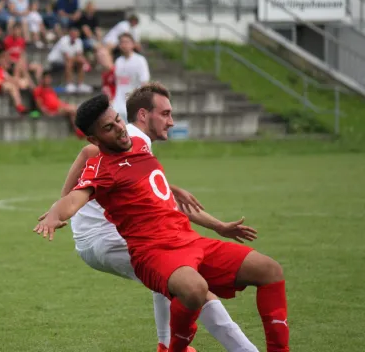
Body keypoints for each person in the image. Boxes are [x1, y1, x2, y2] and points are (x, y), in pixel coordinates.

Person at [35, 88, 289, 352]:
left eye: (117, 121)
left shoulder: (138, 146)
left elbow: (152, 192)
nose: (171, 121)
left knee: (200, 277)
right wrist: (58, 207)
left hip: (156, 235)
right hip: (104, 236)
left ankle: (166, 344)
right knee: (192, 287)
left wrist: (213, 222)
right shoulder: (119, 145)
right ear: (144, 114)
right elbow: (89, 156)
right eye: (165, 113)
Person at [33, 71, 85, 138]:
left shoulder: (50, 89)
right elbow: (39, 105)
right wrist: (47, 113)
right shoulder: (38, 90)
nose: (48, 80)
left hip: (59, 108)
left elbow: (56, 101)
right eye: (46, 78)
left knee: (74, 109)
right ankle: (80, 132)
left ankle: (78, 131)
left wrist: (65, 105)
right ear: (42, 79)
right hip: (53, 111)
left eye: (49, 78)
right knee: (72, 110)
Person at [113, 33, 150, 122]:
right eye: (122, 42)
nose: (124, 45)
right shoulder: (118, 61)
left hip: (133, 101)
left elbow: (144, 82)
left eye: (127, 42)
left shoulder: (140, 60)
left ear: (133, 44)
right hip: (118, 102)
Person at [46, 26, 92, 94]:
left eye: (76, 34)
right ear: (69, 34)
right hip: (55, 61)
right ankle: (69, 84)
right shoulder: (63, 40)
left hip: (68, 60)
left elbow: (79, 55)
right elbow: (67, 57)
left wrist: (85, 62)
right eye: (73, 34)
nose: (74, 36)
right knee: (69, 62)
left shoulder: (79, 41)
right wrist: (80, 59)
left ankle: (80, 84)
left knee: (80, 63)